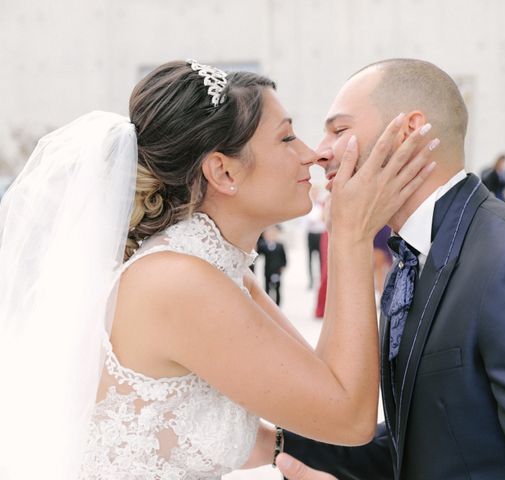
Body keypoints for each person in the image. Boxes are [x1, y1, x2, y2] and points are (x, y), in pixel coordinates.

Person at [0, 60, 438, 479]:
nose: (311, 155)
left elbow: (319, 386)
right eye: (287, 139)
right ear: (223, 171)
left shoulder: (220, 267)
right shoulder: (178, 282)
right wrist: (351, 236)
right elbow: (347, 418)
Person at [275, 58, 505, 480]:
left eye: (339, 130)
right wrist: (268, 440)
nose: (319, 151)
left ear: (409, 131)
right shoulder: (413, 255)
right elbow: (420, 445)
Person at [257, 224, 288, 305]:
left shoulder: (280, 246)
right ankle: (267, 304)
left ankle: (278, 304)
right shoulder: (264, 246)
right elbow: (258, 254)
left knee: (277, 289)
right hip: (267, 270)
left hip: (277, 270)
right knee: (267, 288)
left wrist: (283, 266)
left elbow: (284, 257)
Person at [304, 186, 327, 288]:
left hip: (320, 234)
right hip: (311, 234)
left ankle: (321, 280)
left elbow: (323, 220)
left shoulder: (321, 205)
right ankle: (311, 281)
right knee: (310, 258)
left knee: (321, 258)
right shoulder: (308, 205)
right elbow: (306, 220)